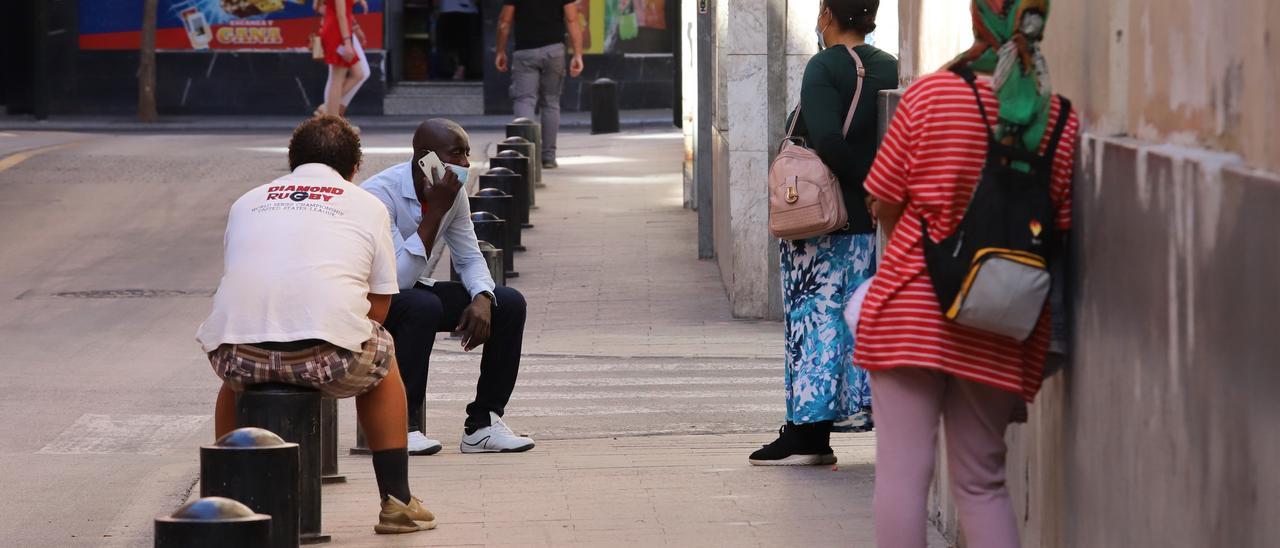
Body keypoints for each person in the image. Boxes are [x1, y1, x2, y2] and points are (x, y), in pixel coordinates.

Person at [858, 1, 1078, 546]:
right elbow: (1060, 227)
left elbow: (882, 199)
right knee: (983, 484)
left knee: (903, 479)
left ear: (980, 20)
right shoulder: (1060, 118)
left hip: (912, 310)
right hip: (999, 321)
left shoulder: (932, 95)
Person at [196, 117, 438, 535]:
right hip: (325, 359)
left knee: (234, 378)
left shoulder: (247, 201)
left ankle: (223, 499)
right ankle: (397, 502)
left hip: (235, 357)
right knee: (383, 352)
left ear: (293, 161)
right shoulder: (366, 204)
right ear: (354, 168)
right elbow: (379, 307)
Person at [748, 0, 898, 467]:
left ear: (828, 15)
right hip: (867, 224)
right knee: (857, 323)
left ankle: (806, 430)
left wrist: (866, 184)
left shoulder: (824, 66)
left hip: (823, 220)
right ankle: (855, 420)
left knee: (812, 320)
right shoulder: (890, 65)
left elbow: (828, 140)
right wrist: (879, 189)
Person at [361, 118, 533, 455]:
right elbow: (397, 280)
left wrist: (483, 297)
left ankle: (483, 425)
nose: (466, 164)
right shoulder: (378, 196)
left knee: (509, 303)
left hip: (409, 291)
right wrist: (434, 212)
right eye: (457, 154)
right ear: (427, 158)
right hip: (372, 298)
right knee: (422, 306)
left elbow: (469, 257)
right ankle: (402, 425)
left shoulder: (451, 192)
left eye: (468, 153)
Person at [494, 0, 586, 169]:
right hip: (554, 51)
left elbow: (504, 21)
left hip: (525, 51)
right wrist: (578, 54)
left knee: (524, 100)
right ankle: (549, 157)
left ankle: (526, 157)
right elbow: (572, 20)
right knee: (551, 102)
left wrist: (500, 51)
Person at [315, 0, 370, 117]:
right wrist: (347, 42)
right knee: (337, 78)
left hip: (339, 31)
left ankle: (329, 111)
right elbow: (341, 14)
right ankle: (332, 120)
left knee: (358, 74)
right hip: (337, 34)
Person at [437, 0, 481, 80]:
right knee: (456, 43)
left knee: (462, 42)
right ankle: (459, 68)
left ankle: (461, 68)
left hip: (463, 10)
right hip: (452, 10)